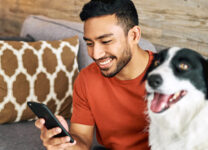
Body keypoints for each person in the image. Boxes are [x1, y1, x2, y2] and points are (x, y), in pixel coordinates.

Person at [35, 0, 154, 149]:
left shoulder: (174, 77)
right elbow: (82, 142)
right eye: (90, 43)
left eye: (106, 41)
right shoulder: (87, 79)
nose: (95, 54)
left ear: (134, 36)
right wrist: (64, 144)